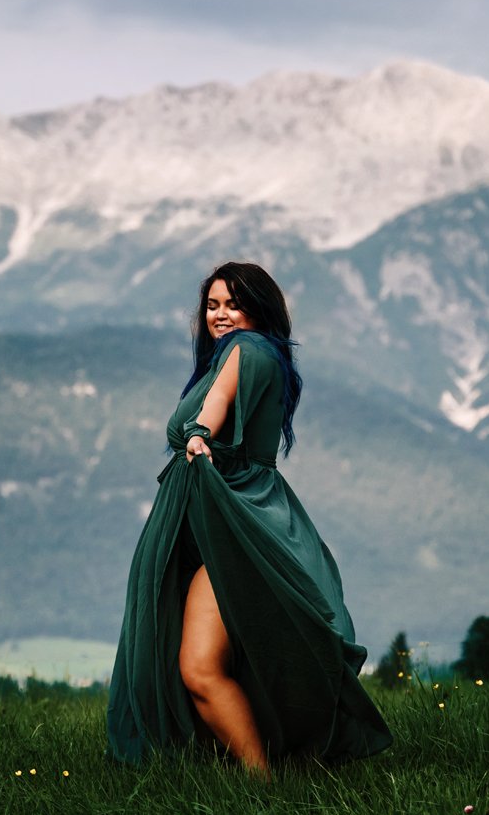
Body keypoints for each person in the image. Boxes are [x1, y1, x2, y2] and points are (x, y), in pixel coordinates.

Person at [106, 261, 393, 777]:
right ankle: (261, 776)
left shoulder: (247, 350)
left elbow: (212, 411)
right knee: (203, 663)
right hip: (231, 518)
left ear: (259, 308)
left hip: (236, 524)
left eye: (233, 304)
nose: (220, 315)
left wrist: (197, 433)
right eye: (213, 305)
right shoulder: (254, 355)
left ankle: (262, 785)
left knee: (198, 666)